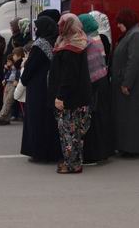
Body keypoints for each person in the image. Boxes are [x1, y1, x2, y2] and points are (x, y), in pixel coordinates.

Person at [49, 13, 92, 174]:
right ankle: (75, 161)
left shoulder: (71, 48)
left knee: (68, 133)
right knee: (75, 134)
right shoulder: (78, 41)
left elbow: (69, 76)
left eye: (62, 24)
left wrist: (60, 97)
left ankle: (72, 164)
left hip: (69, 99)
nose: (59, 27)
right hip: (79, 96)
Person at [20, 15, 62, 163]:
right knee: (49, 120)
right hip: (51, 85)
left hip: (38, 87)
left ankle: (39, 152)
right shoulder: (56, 41)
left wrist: (23, 79)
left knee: (37, 119)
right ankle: (52, 152)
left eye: (37, 27)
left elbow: (30, 67)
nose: (36, 30)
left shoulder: (39, 45)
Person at [112, 8, 139, 156]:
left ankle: (134, 148)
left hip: (134, 87)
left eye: (120, 22)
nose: (118, 26)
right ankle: (129, 147)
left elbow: (134, 61)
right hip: (134, 85)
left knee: (133, 118)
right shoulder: (133, 33)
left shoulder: (136, 35)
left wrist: (126, 83)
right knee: (130, 117)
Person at [78, 13, 113, 163]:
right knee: (102, 118)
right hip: (103, 80)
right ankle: (105, 151)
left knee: (93, 119)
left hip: (94, 82)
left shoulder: (88, 41)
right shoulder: (100, 37)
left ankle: (96, 154)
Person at [0, 48, 23, 124]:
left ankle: (1, 115)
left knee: (8, 100)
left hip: (14, 84)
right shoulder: (13, 64)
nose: (13, 56)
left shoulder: (20, 64)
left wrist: (16, 80)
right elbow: (9, 73)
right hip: (9, 83)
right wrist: (5, 79)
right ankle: (6, 119)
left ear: (18, 56)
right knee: (5, 100)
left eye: (14, 55)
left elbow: (19, 73)